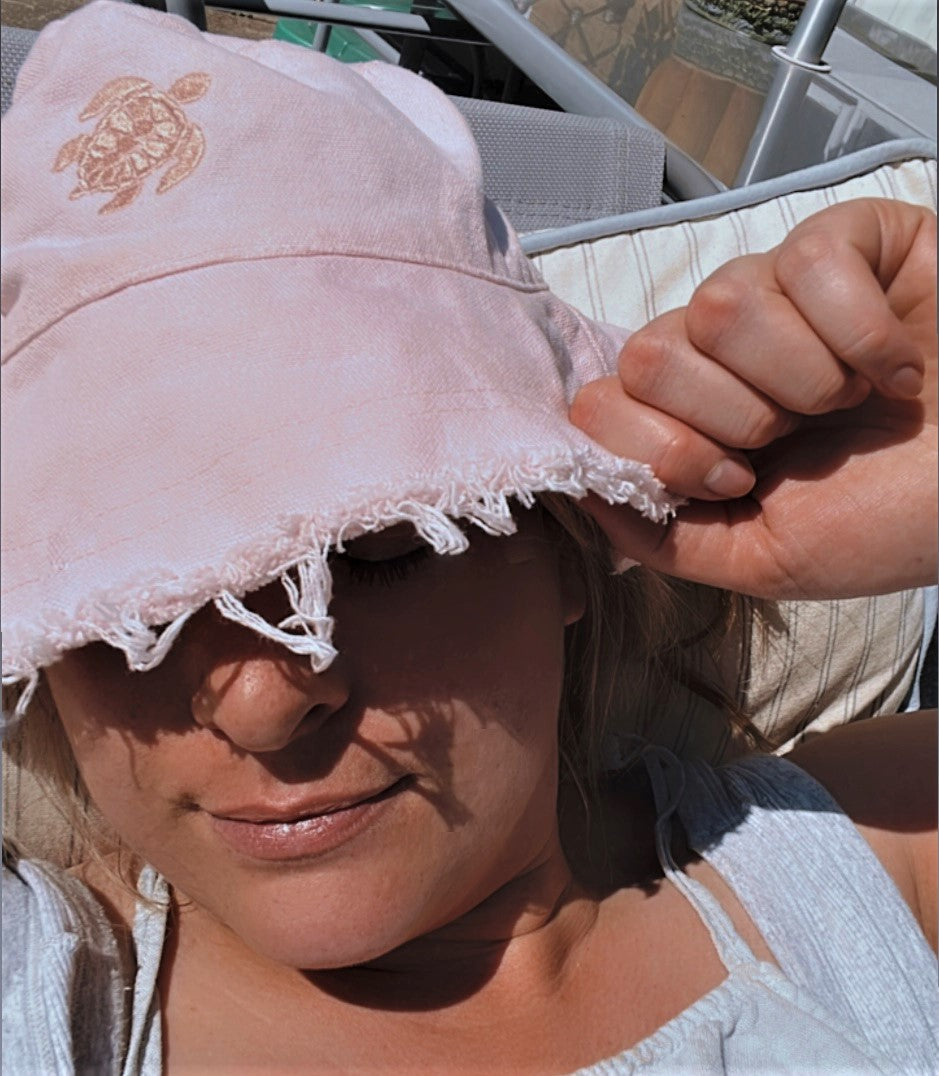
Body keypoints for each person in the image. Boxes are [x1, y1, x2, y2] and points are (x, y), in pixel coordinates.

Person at [2, 3, 936, 1073]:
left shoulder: (864, 863)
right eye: (132, 606)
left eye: (381, 546)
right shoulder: (49, 991)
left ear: (566, 535)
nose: (263, 703)